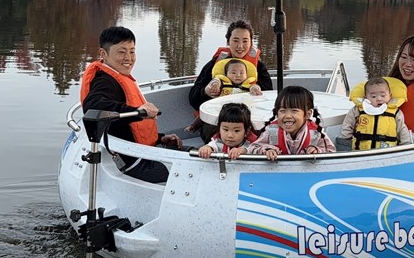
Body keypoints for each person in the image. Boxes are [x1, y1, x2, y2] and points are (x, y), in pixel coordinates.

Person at [81, 26, 182, 183]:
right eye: (121, 52)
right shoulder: (104, 82)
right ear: (103, 54)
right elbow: (93, 105)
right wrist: (137, 111)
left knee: (191, 152)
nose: (128, 58)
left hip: (142, 151)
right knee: (196, 169)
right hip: (135, 162)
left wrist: (159, 139)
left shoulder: (117, 75)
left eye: (132, 51)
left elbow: (127, 128)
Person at [189, 20, 272, 140]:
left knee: (264, 135)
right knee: (219, 135)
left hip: (250, 118)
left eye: (245, 41)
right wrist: (205, 92)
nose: (240, 46)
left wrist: (256, 91)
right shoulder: (214, 65)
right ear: (228, 41)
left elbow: (268, 97)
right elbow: (193, 98)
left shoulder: (259, 68)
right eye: (235, 40)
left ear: (251, 42)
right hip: (218, 119)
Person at [249, 86, 336, 161]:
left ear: (308, 114)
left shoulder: (316, 133)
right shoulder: (271, 131)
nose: (287, 116)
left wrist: (317, 150)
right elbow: (252, 149)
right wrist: (266, 150)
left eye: (294, 111)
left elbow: (331, 152)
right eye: (282, 110)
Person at [185, 58, 262, 133]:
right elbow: (216, 81)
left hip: (241, 111)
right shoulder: (222, 82)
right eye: (233, 73)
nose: (238, 75)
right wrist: (215, 85)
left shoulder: (249, 86)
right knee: (206, 113)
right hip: (221, 109)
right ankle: (193, 126)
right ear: (226, 74)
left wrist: (255, 89)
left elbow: (255, 87)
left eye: (242, 73)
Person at [339, 76, 414, 150]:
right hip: (361, 153)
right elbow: (347, 125)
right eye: (373, 96)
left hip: (386, 153)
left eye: (383, 95)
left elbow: (402, 130)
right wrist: (344, 141)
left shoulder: (396, 113)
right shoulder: (357, 110)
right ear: (366, 97)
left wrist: (406, 145)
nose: (379, 99)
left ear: (390, 96)